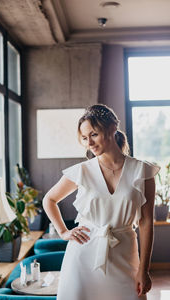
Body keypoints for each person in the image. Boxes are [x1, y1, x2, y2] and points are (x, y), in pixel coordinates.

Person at [43, 104, 160, 300]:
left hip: (125, 255)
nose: (89, 142)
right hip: (82, 256)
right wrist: (64, 232)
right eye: (84, 137)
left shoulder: (143, 171)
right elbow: (49, 199)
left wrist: (144, 269)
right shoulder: (81, 171)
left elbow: (146, 222)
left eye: (94, 134)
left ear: (113, 127)